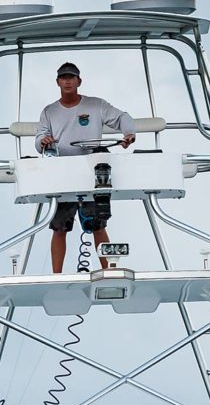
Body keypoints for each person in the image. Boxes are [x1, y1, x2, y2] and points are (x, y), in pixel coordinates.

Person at [35, 61, 136, 273]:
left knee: (99, 225)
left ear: (79, 81)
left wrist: (128, 133)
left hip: (92, 171)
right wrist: (43, 141)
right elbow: (39, 139)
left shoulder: (96, 105)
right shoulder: (49, 111)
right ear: (57, 82)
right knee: (59, 227)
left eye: (71, 77)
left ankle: (109, 271)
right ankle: (57, 275)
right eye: (64, 77)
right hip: (62, 172)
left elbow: (123, 117)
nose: (68, 81)